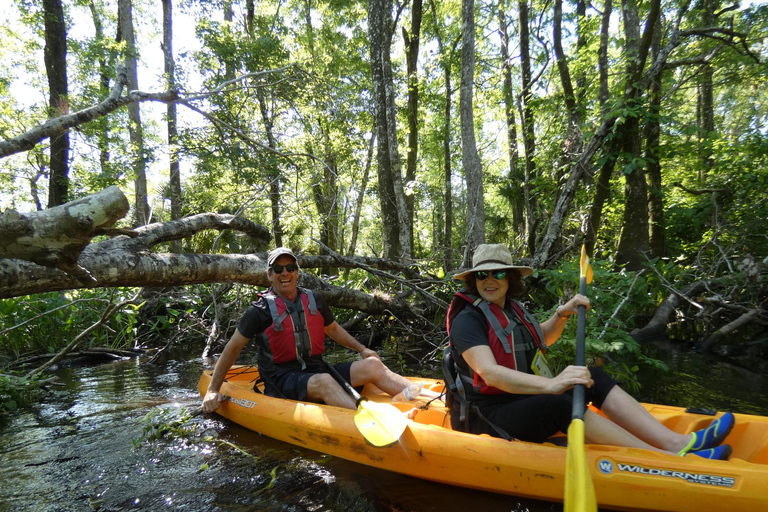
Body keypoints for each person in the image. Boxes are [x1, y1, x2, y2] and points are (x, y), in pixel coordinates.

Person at [445, 243, 734, 459]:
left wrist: (562, 314)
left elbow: (539, 339)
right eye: (482, 275)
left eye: (497, 274)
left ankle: (675, 442)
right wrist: (552, 384)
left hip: (521, 398)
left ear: (510, 278)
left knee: (590, 376)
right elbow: (490, 373)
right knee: (557, 404)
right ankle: (662, 459)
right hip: (489, 416)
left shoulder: (511, 309)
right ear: (474, 280)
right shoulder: (468, 319)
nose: (489, 280)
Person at [202, 247, 413, 413]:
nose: (285, 273)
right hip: (281, 379)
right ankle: (368, 420)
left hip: (315, 369)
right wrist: (212, 390)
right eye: (278, 269)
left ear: (297, 271)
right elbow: (232, 348)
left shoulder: (314, 299)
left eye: (290, 267)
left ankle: (423, 400)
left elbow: (333, 329)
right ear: (269, 274)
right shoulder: (259, 310)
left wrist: (362, 349)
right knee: (325, 382)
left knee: (373, 365)